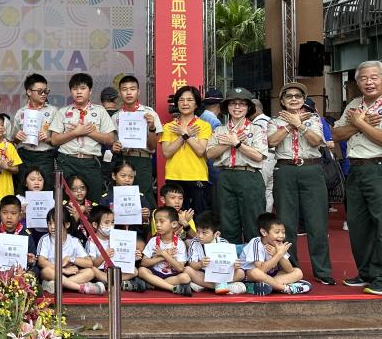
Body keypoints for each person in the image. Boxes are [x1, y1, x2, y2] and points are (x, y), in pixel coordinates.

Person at [332, 61, 382, 295]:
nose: (369, 82)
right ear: (357, 82)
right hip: (357, 168)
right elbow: (336, 133)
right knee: (359, 226)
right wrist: (362, 124)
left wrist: (358, 123)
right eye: (363, 78)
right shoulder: (354, 104)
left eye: (374, 77)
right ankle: (366, 272)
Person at [268, 82, 334, 284]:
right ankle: (291, 269)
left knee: (317, 222)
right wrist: (290, 125)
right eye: (289, 96)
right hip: (285, 170)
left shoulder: (314, 119)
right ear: (282, 101)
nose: (294, 99)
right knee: (286, 223)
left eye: (298, 96)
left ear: (304, 100)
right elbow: (271, 141)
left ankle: (322, 271)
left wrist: (300, 125)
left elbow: (316, 141)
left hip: (311, 169)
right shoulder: (274, 121)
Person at [206, 87, 267, 247]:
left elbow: (259, 156)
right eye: (233, 103)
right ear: (227, 107)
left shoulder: (257, 129)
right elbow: (210, 153)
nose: (237, 107)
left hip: (249, 175)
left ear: (248, 107)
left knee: (253, 221)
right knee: (227, 222)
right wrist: (228, 143)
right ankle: (232, 259)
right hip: (225, 176)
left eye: (242, 104)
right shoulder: (219, 130)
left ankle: (255, 257)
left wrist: (238, 144)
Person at [47, 72, 116, 203]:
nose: (79, 92)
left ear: (90, 91)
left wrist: (87, 132)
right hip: (67, 161)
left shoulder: (100, 111)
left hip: (90, 162)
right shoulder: (63, 112)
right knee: (64, 202)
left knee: (94, 201)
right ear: (71, 91)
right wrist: (75, 133)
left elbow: (110, 139)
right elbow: (54, 140)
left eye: (83, 88)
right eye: (75, 89)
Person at [159, 85, 212, 213]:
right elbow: (167, 153)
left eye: (190, 100)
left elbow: (200, 151)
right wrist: (183, 135)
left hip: (197, 176)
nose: (185, 103)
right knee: (174, 216)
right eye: (181, 100)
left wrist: (185, 134)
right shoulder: (169, 127)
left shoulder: (204, 126)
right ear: (177, 103)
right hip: (174, 176)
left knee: (198, 216)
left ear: (196, 104)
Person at [111, 75, 161, 206]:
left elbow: (153, 146)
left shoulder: (149, 113)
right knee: (123, 198)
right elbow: (113, 143)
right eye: (124, 89)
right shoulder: (116, 117)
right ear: (120, 93)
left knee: (144, 196)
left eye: (132, 89)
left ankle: (148, 219)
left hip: (142, 159)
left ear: (138, 91)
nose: (128, 92)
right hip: (123, 159)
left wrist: (152, 127)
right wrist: (114, 147)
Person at [239, 213, 311, 295]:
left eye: (283, 232)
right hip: (251, 277)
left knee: (298, 272)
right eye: (277, 232)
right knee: (255, 272)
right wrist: (278, 255)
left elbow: (289, 270)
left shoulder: (279, 244)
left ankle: (265, 286)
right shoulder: (256, 243)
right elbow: (262, 269)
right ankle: (285, 288)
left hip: (268, 276)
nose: (281, 236)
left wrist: (280, 254)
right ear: (264, 232)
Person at [36, 208, 103, 295]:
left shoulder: (74, 241)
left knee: (90, 272)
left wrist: (70, 259)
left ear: (67, 224)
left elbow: (89, 263)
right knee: (46, 271)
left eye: (56, 223)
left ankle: (56, 285)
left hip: (70, 274)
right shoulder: (45, 239)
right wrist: (63, 270)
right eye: (50, 223)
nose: (52, 227)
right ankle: (81, 288)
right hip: (53, 273)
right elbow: (41, 261)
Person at [11, 73, 58, 192]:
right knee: (23, 188)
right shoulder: (20, 112)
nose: (44, 94)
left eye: (46, 91)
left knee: (46, 189)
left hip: (44, 155)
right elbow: (13, 141)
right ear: (29, 92)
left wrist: (48, 138)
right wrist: (17, 138)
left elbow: (59, 139)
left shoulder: (53, 111)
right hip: (24, 155)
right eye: (40, 91)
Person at [184, 210, 249, 295]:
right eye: (198, 231)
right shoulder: (194, 242)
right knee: (187, 270)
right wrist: (200, 264)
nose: (200, 236)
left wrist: (235, 265)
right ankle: (223, 287)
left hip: (221, 275)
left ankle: (207, 286)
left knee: (240, 273)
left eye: (204, 233)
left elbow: (232, 265)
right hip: (204, 274)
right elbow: (192, 264)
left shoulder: (224, 243)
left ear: (216, 234)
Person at [138, 206, 193, 295]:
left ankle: (154, 284)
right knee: (141, 270)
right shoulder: (153, 241)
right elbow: (143, 263)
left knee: (185, 277)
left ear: (174, 224)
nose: (158, 225)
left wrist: (165, 254)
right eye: (156, 221)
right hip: (155, 273)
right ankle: (172, 288)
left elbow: (180, 268)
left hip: (171, 276)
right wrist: (162, 257)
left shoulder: (179, 244)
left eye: (162, 221)